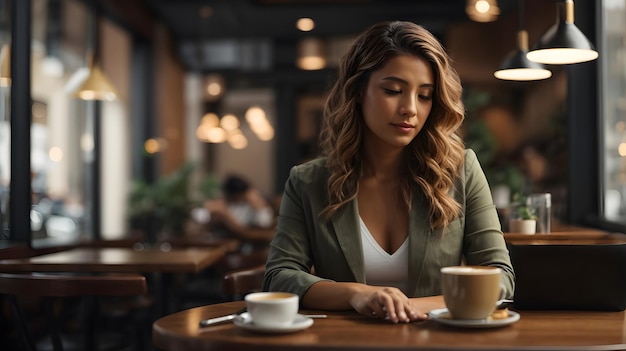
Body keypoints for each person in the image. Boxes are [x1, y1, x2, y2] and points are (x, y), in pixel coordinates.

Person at [262, 21, 515, 324]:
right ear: (357, 91)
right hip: (345, 345)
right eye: (393, 90)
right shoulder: (308, 182)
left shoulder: (461, 171)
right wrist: (358, 294)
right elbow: (279, 276)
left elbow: (501, 278)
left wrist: (410, 306)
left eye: (424, 95)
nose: (410, 108)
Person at [204, 174, 276, 243]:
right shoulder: (227, 204)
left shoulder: (256, 204)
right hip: (231, 241)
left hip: (252, 245)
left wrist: (225, 215)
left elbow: (253, 230)